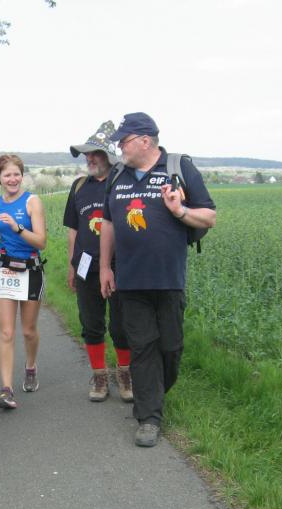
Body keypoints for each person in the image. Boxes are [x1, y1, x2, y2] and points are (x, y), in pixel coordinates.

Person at [100, 112, 216, 448]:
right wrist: (105, 267)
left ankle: (155, 393)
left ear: (145, 141)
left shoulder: (179, 168)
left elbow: (209, 216)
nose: (119, 147)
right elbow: (108, 223)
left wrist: (180, 211)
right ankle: (148, 417)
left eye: (124, 141)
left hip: (168, 279)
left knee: (170, 347)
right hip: (130, 280)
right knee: (142, 348)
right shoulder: (117, 175)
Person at [65, 121, 133, 402]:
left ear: (109, 156)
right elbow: (73, 229)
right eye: (87, 154)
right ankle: (100, 376)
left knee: (121, 325)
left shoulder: (124, 183)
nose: (89, 159)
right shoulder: (79, 186)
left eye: (95, 154)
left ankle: (125, 374)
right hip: (86, 267)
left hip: (120, 267)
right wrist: (71, 265)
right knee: (91, 324)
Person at [0, 154, 47, 409]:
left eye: (16, 174)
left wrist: (18, 228)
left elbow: (41, 241)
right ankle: (6, 389)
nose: (12, 179)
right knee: (6, 332)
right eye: (7, 175)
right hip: (5, 268)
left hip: (30, 267)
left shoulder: (32, 202)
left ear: (22, 175)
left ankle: (30, 367)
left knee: (28, 330)